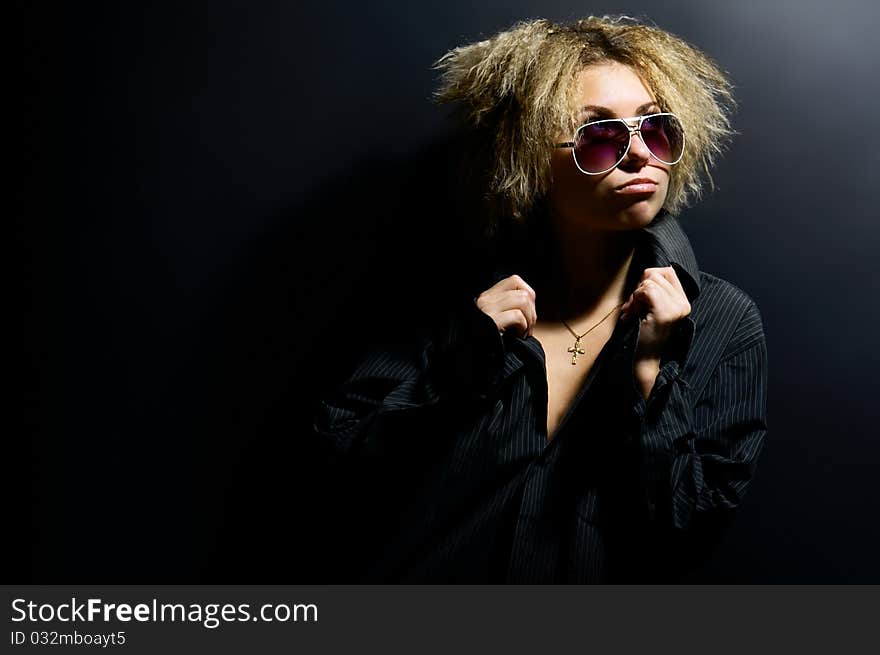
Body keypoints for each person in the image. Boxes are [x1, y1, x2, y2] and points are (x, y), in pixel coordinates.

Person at [313, 15, 769, 583]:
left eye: (655, 130)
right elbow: (334, 474)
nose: (638, 155)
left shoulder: (723, 322)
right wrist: (460, 368)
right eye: (598, 136)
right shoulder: (455, 298)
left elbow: (689, 536)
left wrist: (653, 377)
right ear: (528, 157)